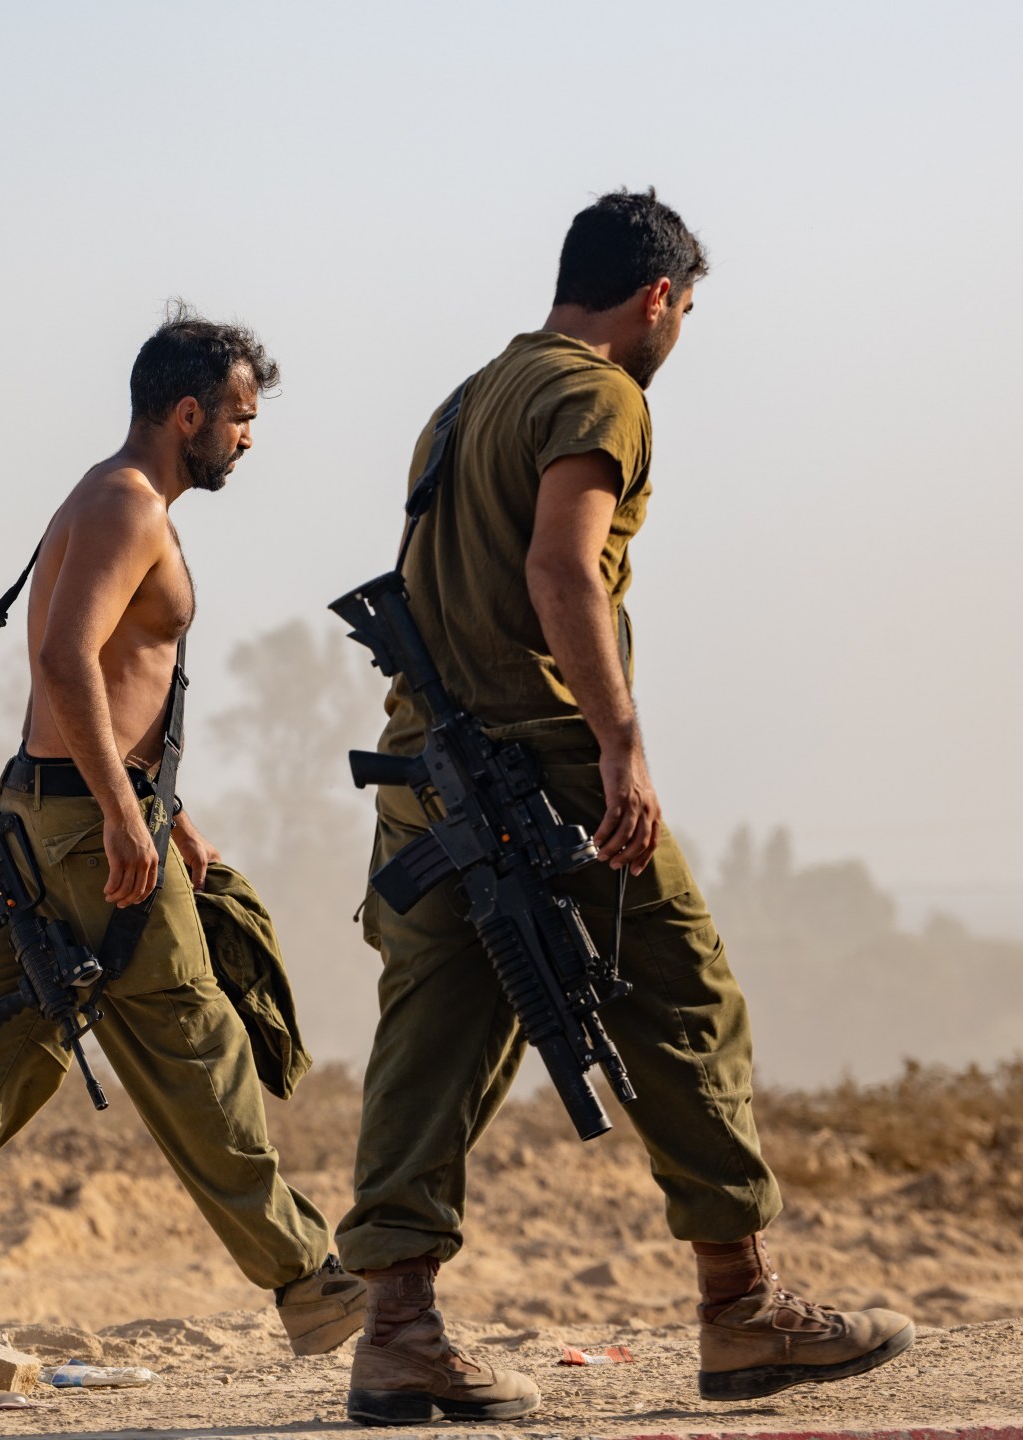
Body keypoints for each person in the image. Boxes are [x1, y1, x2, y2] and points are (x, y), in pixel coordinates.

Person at [336, 189, 915, 1427]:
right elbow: (560, 568)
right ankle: (741, 1307)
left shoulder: (465, 401)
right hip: (544, 772)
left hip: (429, 774)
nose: (681, 333)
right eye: (687, 310)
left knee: (429, 1042)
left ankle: (396, 1334)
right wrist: (621, 745)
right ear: (658, 297)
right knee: (687, 998)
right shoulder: (598, 394)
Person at [0, 307, 366, 1358]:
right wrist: (126, 816)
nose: (248, 438)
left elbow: (112, 683)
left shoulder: (102, 494)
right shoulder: (128, 506)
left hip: (45, 816)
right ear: (188, 414)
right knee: (194, 1041)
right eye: (241, 418)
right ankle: (312, 1285)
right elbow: (66, 662)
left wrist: (173, 815)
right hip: (88, 828)